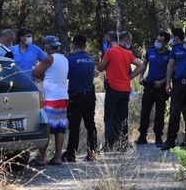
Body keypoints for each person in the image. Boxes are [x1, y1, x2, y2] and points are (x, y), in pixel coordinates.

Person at [97, 31, 145, 151]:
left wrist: (102, 57)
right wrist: (129, 77)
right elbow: (141, 66)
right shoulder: (127, 53)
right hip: (125, 90)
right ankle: (123, 143)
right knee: (122, 117)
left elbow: (100, 67)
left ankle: (109, 144)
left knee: (109, 117)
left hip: (113, 89)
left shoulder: (110, 52)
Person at [31, 35, 69, 165]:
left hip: (53, 98)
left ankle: (41, 157)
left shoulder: (49, 58)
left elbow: (35, 72)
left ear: (47, 48)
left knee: (47, 128)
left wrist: (41, 74)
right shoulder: (64, 59)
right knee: (60, 128)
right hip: (63, 96)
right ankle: (57, 156)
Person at [61, 34, 98, 162]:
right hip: (89, 96)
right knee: (90, 125)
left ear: (73, 45)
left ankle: (71, 153)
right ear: (85, 45)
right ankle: (92, 152)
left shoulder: (70, 60)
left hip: (76, 97)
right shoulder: (90, 60)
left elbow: (65, 76)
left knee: (74, 126)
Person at [137, 31, 172, 146]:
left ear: (165, 43)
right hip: (149, 86)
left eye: (160, 41)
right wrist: (141, 77)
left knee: (160, 113)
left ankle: (158, 137)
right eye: (157, 39)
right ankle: (142, 136)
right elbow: (144, 64)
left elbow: (171, 71)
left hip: (161, 87)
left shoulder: (169, 54)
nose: (157, 42)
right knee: (145, 112)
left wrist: (163, 82)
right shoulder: (150, 51)